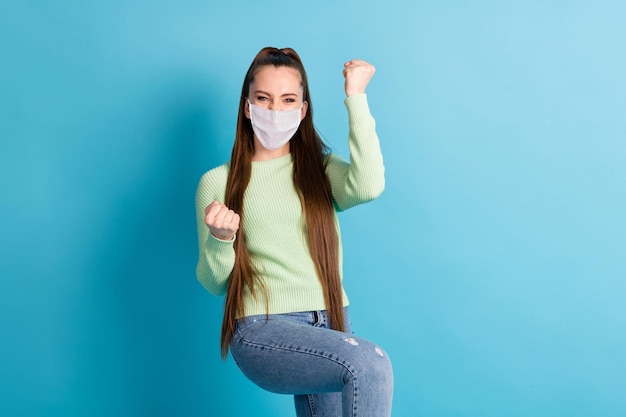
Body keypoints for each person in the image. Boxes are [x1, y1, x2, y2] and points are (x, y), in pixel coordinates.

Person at [195, 47, 393, 416]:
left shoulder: (321, 171)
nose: (275, 111)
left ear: (303, 110)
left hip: (332, 320)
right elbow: (213, 281)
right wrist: (221, 241)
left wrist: (356, 98)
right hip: (262, 329)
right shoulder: (218, 182)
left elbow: (367, 185)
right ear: (247, 106)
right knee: (370, 364)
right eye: (264, 99)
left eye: (288, 101)